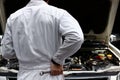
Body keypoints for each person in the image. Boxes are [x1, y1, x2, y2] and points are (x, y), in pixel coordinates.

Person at [1, 0, 84, 80]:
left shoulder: (13, 18)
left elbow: (7, 53)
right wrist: (57, 60)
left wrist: (24, 54)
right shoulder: (58, 14)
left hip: (25, 75)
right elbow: (76, 37)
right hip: (50, 73)